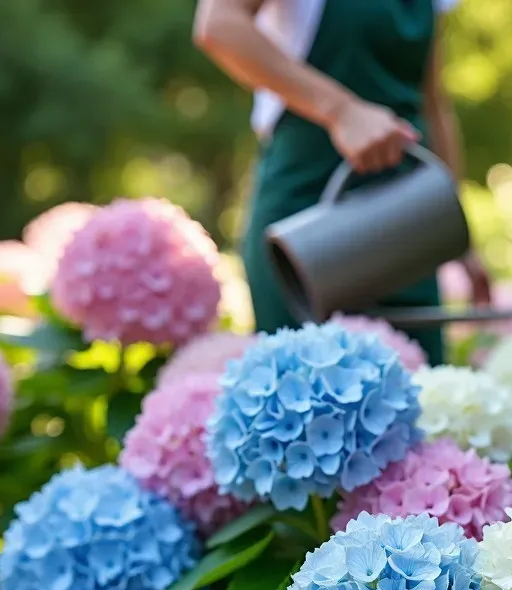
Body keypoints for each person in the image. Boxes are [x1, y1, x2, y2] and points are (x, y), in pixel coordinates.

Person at [192, 0, 490, 364]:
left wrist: (458, 229)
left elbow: (432, 103)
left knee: (420, 395)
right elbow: (218, 25)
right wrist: (340, 110)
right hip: (305, 221)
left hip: (411, 221)